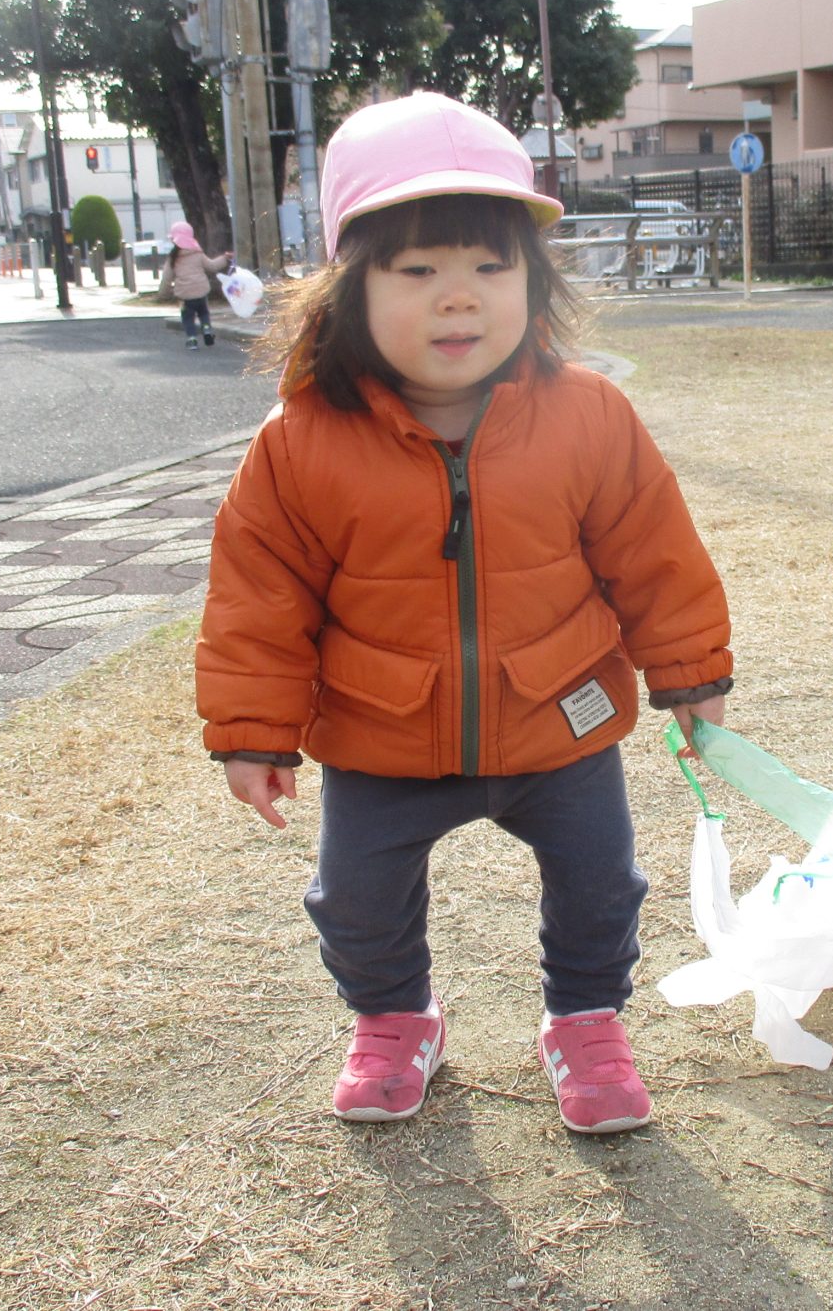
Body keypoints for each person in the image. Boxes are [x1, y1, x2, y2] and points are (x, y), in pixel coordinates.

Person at [196, 92, 734, 1135]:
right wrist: (253, 731)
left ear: (535, 282)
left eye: (492, 266)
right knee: (355, 897)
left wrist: (690, 674)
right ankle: (395, 1019)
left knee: (600, 883)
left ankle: (585, 1021)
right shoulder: (301, 441)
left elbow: (652, 552)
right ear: (349, 288)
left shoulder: (588, 415)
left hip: (560, 712)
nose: (459, 298)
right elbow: (260, 596)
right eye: (417, 271)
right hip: (381, 729)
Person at [157, 222, 231, 349]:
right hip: (201, 290)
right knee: (204, 313)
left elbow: (166, 278)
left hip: (185, 295)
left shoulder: (173, 258)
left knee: (188, 317)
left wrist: (163, 294)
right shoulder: (198, 254)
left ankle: (192, 339)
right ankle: (206, 329)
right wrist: (224, 258)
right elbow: (212, 266)